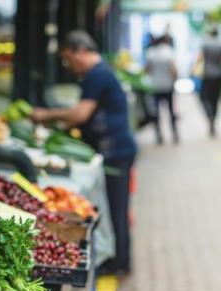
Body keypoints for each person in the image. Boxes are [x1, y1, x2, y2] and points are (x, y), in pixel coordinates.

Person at [30, 30, 137, 275]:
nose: (69, 66)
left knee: (116, 207)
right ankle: (118, 259)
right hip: (114, 150)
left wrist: (45, 115)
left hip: (116, 151)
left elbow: (80, 114)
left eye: (69, 59)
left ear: (81, 51)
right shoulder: (99, 73)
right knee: (114, 207)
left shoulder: (97, 75)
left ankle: (119, 262)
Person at [145, 35, 179, 144]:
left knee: (156, 111)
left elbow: (147, 69)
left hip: (155, 86)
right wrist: (174, 81)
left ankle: (158, 134)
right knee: (171, 110)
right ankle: (174, 133)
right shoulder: (169, 52)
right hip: (168, 85)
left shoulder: (151, 53)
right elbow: (173, 69)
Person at [199, 27, 221, 137]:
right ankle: (213, 117)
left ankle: (209, 115)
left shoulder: (205, 44)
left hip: (207, 74)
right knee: (215, 98)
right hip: (219, 74)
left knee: (205, 97)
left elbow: (200, 58)